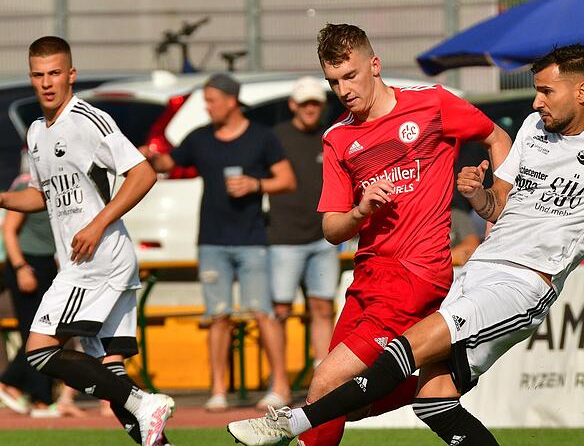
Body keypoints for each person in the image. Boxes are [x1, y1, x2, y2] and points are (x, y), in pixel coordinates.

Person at [227, 44, 584, 446]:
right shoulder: (533, 128)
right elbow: (502, 209)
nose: (536, 101)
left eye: (545, 90)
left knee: (405, 350)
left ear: (582, 91)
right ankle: (313, 413)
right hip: (481, 269)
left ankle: (291, 422)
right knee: (431, 399)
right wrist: (481, 195)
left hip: (525, 284)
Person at [229, 23, 511, 446]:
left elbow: (497, 135)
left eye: (351, 76)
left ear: (374, 66)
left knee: (326, 381)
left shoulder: (432, 106)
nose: (343, 90)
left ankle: (286, 428)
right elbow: (331, 228)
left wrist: (498, 207)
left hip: (416, 275)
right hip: (368, 280)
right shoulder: (338, 139)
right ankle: (429, 387)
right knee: (346, 403)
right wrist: (361, 211)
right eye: (334, 82)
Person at [0, 36, 173, 446]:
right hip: (86, 261)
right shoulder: (38, 133)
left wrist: (98, 224)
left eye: (55, 73)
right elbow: (42, 196)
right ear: (31, 78)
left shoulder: (88, 119)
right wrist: (4, 198)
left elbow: (142, 173)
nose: (47, 82)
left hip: (99, 258)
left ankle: (143, 403)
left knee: (39, 351)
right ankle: (155, 433)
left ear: (71, 75)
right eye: (39, 75)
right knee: (107, 369)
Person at [140, 73, 296, 412]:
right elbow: (168, 163)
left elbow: (286, 179)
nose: (207, 107)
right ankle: (218, 390)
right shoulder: (199, 138)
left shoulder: (262, 137)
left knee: (263, 313)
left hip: (253, 240)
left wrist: (255, 185)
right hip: (211, 241)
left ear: (231, 100)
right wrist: (150, 156)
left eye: (211, 100)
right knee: (218, 316)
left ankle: (280, 386)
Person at [264, 76, 339, 409]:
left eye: (316, 103)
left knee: (322, 309)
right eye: (305, 103)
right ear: (293, 105)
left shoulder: (331, 137)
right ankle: (279, 385)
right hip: (284, 238)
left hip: (323, 238)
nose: (311, 109)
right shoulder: (276, 138)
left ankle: (322, 381)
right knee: (279, 311)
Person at [0, 172, 59, 415]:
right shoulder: (27, 182)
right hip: (28, 263)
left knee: (47, 331)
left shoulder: (59, 180)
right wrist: (21, 268)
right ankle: (28, 392)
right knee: (36, 333)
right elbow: (9, 229)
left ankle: (32, 393)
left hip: (46, 263)